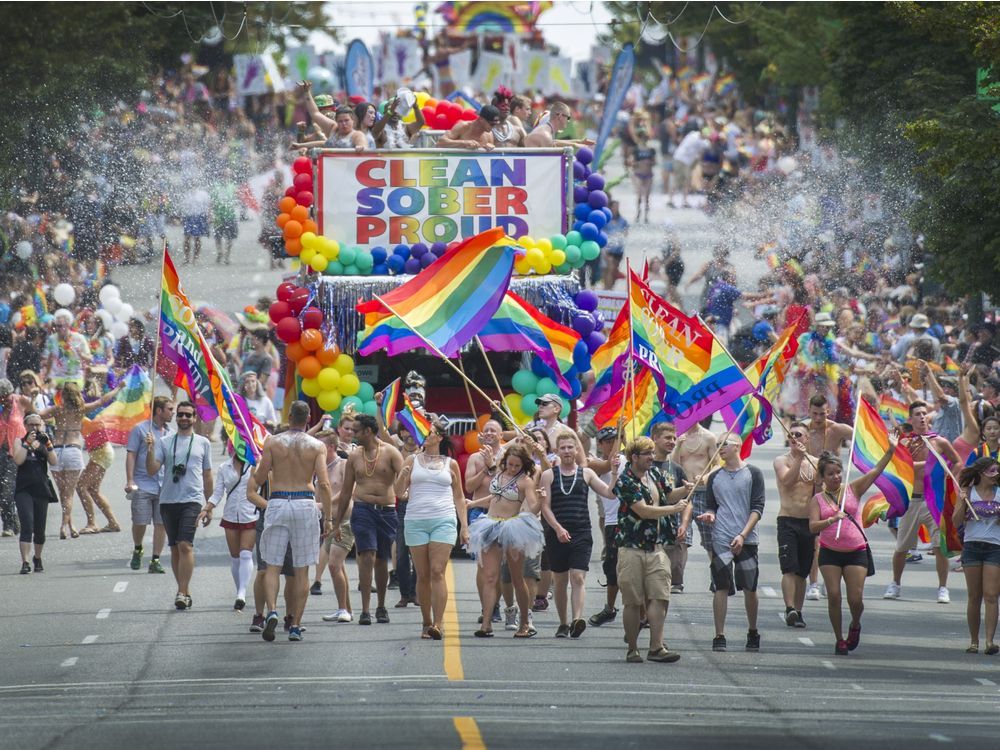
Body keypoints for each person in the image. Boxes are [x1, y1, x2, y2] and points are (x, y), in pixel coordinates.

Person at [247, 401, 332, 642]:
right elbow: (324, 484)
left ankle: (272, 609)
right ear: (307, 420)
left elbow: (261, 476)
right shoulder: (316, 445)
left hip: (279, 500)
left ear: (289, 416)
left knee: (272, 566)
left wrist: (258, 472)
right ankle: (295, 625)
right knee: (302, 568)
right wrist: (329, 517)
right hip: (305, 503)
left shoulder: (273, 442)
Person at [810, 442, 898, 655]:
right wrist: (831, 520)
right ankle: (839, 638)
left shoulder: (853, 489)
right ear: (822, 477)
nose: (836, 477)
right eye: (830, 474)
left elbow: (875, 472)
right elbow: (813, 526)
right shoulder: (817, 500)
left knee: (855, 599)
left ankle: (855, 624)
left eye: (838, 472)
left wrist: (890, 451)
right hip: (830, 552)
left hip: (856, 551)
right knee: (833, 595)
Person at [615, 436, 691, 663]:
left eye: (652, 453)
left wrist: (685, 489)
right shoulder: (624, 481)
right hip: (631, 549)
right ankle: (632, 647)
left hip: (657, 548)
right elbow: (644, 511)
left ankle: (656, 647)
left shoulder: (655, 474)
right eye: (647, 454)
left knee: (660, 596)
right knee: (633, 601)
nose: (651, 458)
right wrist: (672, 509)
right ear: (634, 457)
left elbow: (669, 494)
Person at [538, 430, 619, 638]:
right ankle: (563, 622)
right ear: (557, 451)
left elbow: (609, 493)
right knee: (561, 579)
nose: (566, 451)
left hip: (581, 531)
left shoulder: (586, 473)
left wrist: (615, 474)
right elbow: (544, 507)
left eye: (570, 447)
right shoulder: (548, 475)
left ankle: (576, 620)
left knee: (578, 577)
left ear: (576, 450)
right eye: (562, 448)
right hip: (556, 532)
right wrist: (557, 528)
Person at [395, 417, 469, 639]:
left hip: (443, 519)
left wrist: (464, 526)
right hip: (416, 520)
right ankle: (426, 621)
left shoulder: (451, 463)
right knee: (423, 574)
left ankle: (438, 622)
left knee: (438, 571)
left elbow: (459, 496)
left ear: (439, 436)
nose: (424, 436)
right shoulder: (411, 460)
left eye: (428, 432)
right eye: (423, 433)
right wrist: (403, 475)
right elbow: (399, 493)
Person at [884, 400, 960, 602]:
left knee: (938, 546)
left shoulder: (939, 442)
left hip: (933, 500)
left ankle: (943, 588)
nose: (922, 417)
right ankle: (895, 583)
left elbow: (957, 462)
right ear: (911, 419)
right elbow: (897, 466)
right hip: (911, 501)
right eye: (917, 414)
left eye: (924, 413)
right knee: (902, 547)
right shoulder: (905, 443)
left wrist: (947, 477)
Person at [467, 442, 545, 638]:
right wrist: (473, 504)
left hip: (512, 527)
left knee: (517, 578)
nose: (512, 468)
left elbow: (533, 509)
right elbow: (493, 498)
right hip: (490, 524)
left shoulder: (525, 481)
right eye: (510, 464)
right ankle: (486, 624)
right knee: (490, 577)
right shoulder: (498, 474)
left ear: (523, 465)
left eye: (517, 465)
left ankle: (525, 622)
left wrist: (541, 500)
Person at [699, 434, 766, 652]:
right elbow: (711, 505)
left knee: (750, 586)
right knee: (721, 586)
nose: (720, 448)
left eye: (724, 444)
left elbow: (757, 508)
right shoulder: (715, 476)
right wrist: (710, 515)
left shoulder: (753, 473)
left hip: (747, 539)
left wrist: (743, 535)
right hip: (721, 538)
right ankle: (719, 634)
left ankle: (753, 630)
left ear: (737, 446)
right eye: (718, 445)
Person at [335, 414, 404, 626]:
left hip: (386, 511)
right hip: (362, 509)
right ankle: (365, 609)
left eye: (356, 431)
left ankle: (380, 606)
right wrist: (336, 523)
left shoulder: (391, 453)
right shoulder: (354, 456)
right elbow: (346, 492)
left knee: (382, 559)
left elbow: (403, 483)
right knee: (366, 556)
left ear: (368, 431)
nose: (353, 435)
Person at [145, 401, 214, 610]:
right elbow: (152, 470)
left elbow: (208, 475)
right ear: (177, 418)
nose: (184, 418)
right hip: (168, 500)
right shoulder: (165, 442)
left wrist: (209, 505)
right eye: (181, 415)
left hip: (192, 500)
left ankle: (182, 592)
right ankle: (183, 589)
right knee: (175, 548)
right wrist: (150, 449)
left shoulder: (203, 443)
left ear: (195, 418)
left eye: (188, 415)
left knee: (185, 545)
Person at [37, 381, 119, 539]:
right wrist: (119, 388)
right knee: (69, 494)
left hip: (57, 450)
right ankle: (65, 525)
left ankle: (69, 525)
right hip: (72, 451)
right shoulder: (81, 409)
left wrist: (43, 421)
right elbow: (102, 401)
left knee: (63, 493)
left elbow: (38, 414)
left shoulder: (57, 410)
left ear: (63, 395)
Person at [952, 457, 1000, 654]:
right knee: (974, 596)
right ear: (981, 473)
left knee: (991, 595)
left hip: (995, 547)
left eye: (998, 470)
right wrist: (962, 502)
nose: (996, 474)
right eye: (992, 471)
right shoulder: (968, 493)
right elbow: (956, 523)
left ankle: (989, 641)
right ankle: (974, 641)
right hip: (972, 546)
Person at [773, 422, 819, 627]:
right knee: (789, 568)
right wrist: (799, 458)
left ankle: (798, 611)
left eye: (799, 435)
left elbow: (822, 493)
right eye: (791, 435)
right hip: (787, 520)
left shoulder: (817, 463)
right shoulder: (781, 460)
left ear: (807, 439)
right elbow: (787, 481)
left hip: (808, 522)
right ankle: (789, 607)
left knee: (803, 571)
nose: (794, 438)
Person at [202, 444, 257, 611]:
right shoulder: (224, 467)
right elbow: (218, 492)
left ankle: (241, 593)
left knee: (246, 553)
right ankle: (239, 589)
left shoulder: (256, 465)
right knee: (235, 557)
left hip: (251, 513)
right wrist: (207, 508)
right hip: (231, 514)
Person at [125, 396, 172, 573]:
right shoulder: (140, 429)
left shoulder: (171, 433)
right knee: (140, 522)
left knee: (161, 524)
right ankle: (138, 548)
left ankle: (155, 559)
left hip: (164, 486)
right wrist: (130, 480)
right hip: (143, 483)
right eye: (169, 409)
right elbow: (131, 454)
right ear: (159, 411)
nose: (172, 413)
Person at [318, 422, 356, 623]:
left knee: (333, 565)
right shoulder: (319, 468)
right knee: (338, 567)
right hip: (329, 522)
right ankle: (346, 608)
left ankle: (343, 609)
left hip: (346, 521)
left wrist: (322, 503)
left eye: (320, 445)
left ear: (331, 447)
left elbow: (347, 492)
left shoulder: (343, 465)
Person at [588, 426, 625, 625]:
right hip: (612, 521)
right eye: (608, 441)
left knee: (634, 569)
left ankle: (642, 614)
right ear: (600, 444)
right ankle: (609, 608)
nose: (612, 443)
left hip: (631, 518)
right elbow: (605, 465)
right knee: (612, 567)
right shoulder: (593, 462)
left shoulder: (628, 459)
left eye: (615, 439)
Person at [13, 412, 57, 574]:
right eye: (31, 425)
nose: (34, 428)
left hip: (41, 489)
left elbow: (54, 461)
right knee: (27, 524)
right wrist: (27, 444)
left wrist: (46, 447)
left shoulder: (45, 442)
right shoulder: (19, 441)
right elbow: (18, 460)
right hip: (24, 489)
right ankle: (25, 561)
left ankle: (37, 557)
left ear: (42, 426)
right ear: (25, 426)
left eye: (37, 425)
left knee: (40, 529)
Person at [651, 422, 692, 595]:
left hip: (670, 531)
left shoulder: (677, 469)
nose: (672, 441)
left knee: (665, 582)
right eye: (667, 438)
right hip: (647, 530)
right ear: (655, 438)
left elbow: (687, 500)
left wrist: (684, 524)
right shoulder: (643, 466)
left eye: (674, 438)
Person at [672, 421, 717, 556]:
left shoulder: (708, 437)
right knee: (681, 538)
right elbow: (673, 465)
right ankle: (678, 575)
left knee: (710, 540)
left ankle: (716, 576)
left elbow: (717, 463)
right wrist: (678, 445)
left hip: (703, 491)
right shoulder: (675, 436)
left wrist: (707, 477)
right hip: (682, 491)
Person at [41, 310, 91, 387]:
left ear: (68, 325)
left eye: (60, 326)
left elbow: (90, 358)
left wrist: (81, 355)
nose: (57, 328)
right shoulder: (52, 339)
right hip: (57, 378)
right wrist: (46, 376)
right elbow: (48, 359)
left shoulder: (79, 338)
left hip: (75, 377)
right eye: (56, 325)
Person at [523, 101, 594, 149]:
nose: (569, 121)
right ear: (560, 116)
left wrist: (578, 142)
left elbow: (554, 142)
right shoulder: (546, 135)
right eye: (568, 117)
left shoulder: (546, 130)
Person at [180, 186, 211, 265]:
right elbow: (183, 207)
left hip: (199, 217)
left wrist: (208, 216)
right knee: (187, 238)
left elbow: (208, 205)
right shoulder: (186, 195)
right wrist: (181, 217)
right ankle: (187, 258)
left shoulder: (203, 194)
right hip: (189, 217)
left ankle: (195, 258)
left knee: (197, 238)